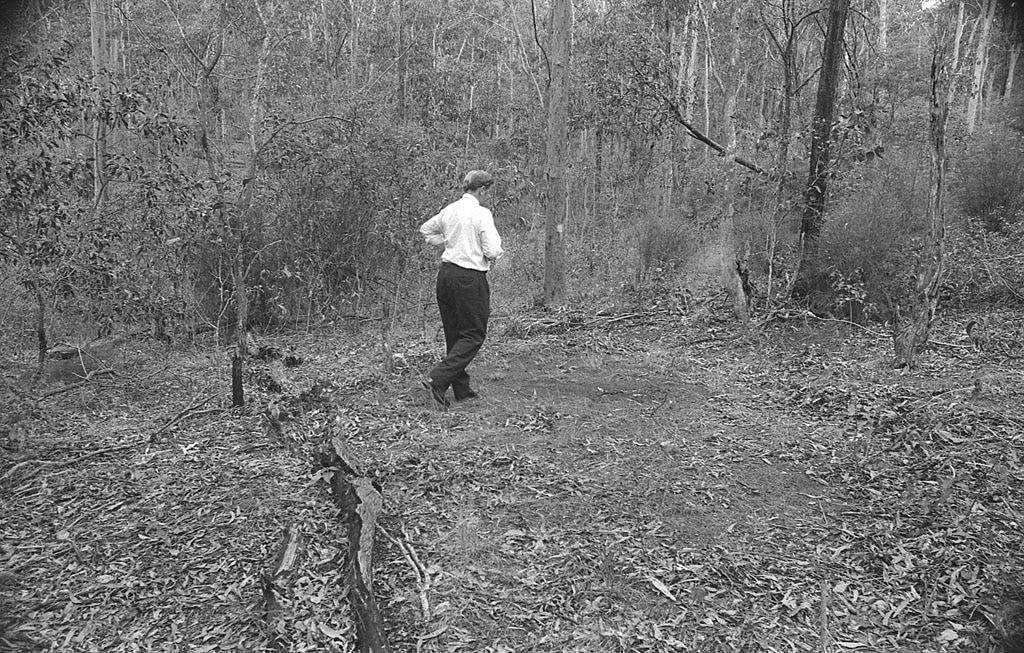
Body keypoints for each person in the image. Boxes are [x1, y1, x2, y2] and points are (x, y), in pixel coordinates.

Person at [419, 170, 504, 407]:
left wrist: (447, 242)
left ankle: (461, 389)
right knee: (474, 334)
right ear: (482, 190)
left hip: (446, 276)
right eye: (489, 191)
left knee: (454, 334)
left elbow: (426, 230)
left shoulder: (450, 209)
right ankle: (437, 379)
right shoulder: (480, 213)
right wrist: (497, 253)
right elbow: (492, 249)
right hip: (469, 278)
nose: (489, 196)